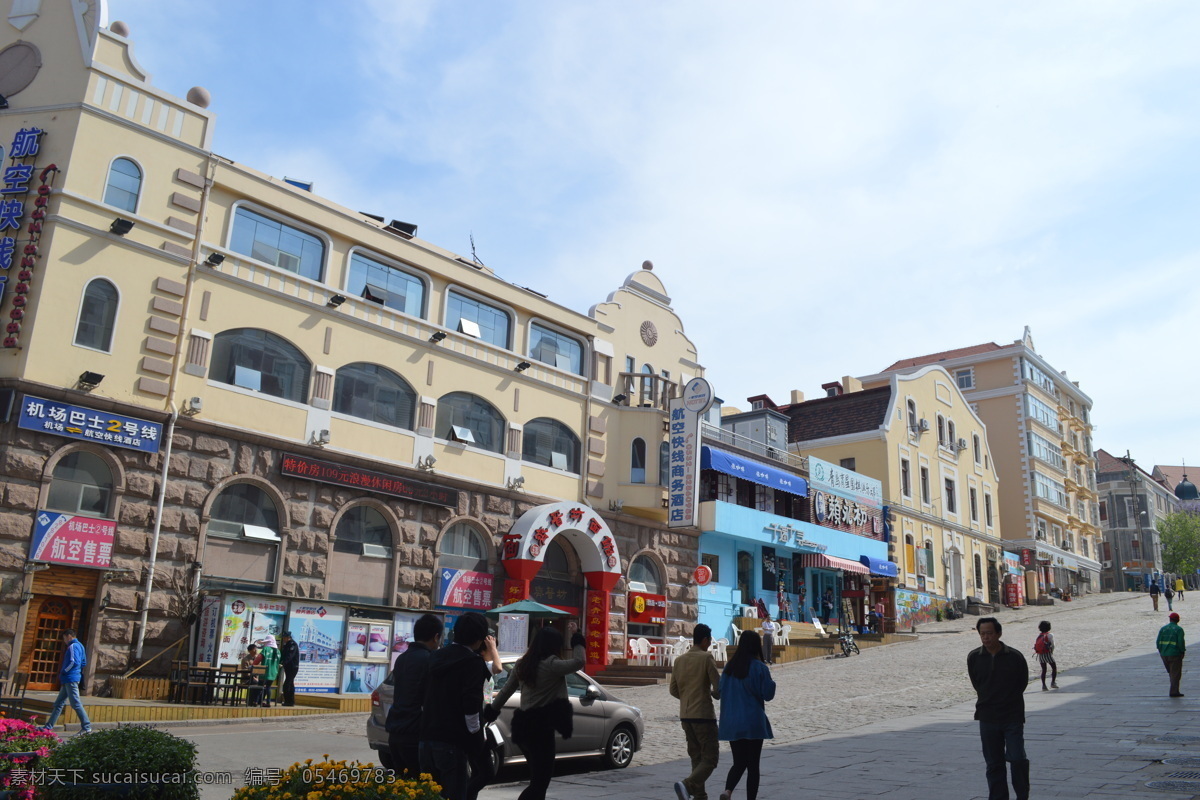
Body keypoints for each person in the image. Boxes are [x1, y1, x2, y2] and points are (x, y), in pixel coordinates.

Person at [484, 621, 585, 800]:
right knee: (540, 782)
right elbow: (579, 661)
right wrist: (577, 637)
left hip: (523, 728)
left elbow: (506, 691)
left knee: (537, 778)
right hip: (541, 730)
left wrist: (491, 711)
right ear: (554, 646)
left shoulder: (523, 664)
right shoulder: (552, 664)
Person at [419, 612, 500, 800]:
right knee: (455, 794)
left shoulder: (435, 656)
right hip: (452, 742)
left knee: (431, 795)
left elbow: (422, 694)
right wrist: (477, 737)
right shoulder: (472, 662)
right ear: (480, 638)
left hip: (426, 739)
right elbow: (471, 706)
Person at [967, 617, 1030, 800]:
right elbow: (977, 683)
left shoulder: (1014, 656)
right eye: (982, 634)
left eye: (989, 633)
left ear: (999, 633)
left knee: (1017, 758)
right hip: (987, 717)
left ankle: (1022, 795)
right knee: (994, 763)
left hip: (1012, 716)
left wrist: (1007, 700)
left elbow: (1022, 683)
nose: (986, 638)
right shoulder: (974, 657)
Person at [716, 631, 775, 800]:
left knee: (739, 761)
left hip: (732, 722)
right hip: (752, 722)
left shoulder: (729, 668)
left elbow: (721, 690)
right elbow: (767, 694)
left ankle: (728, 791)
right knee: (753, 765)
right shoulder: (759, 668)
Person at [387, 613, 443, 775]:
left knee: (403, 785)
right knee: (423, 785)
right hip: (416, 733)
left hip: (395, 731)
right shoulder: (430, 660)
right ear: (436, 637)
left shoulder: (402, 659)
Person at [670, 623, 721, 800]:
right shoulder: (706, 658)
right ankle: (687, 785)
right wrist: (712, 694)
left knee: (696, 757)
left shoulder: (679, 660)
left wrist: (687, 698)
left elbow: (673, 690)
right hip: (703, 715)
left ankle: (700, 795)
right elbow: (718, 687)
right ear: (705, 639)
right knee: (710, 757)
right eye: (709, 641)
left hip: (685, 715)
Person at [42, 629, 92, 734]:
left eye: (64, 638)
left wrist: (65, 671)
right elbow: (83, 662)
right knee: (59, 703)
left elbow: (74, 662)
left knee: (75, 703)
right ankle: (48, 727)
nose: (64, 641)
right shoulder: (81, 645)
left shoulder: (73, 646)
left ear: (69, 636)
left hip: (70, 678)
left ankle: (86, 726)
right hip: (70, 678)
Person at [1156, 612, 1186, 698]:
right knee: (1175, 673)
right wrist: (1182, 651)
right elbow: (1181, 642)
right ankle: (1174, 691)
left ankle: (1174, 689)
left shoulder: (1163, 629)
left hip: (1164, 654)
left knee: (1171, 672)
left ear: (1170, 619)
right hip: (1174, 654)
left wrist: (1161, 651)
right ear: (1178, 620)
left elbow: (1158, 642)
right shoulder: (1179, 629)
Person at [251, 634, 281, 707]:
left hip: (265, 671)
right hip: (273, 672)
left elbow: (258, 659)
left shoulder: (266, 649)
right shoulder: (278, 651)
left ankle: (256, 701)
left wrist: (253, 665)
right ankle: (268, 702)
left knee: (260, 686)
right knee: (268, 687)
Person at [1033, 620, 1057, 691]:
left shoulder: (1039, 636)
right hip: (1048, 654)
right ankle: (1053, 682)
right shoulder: (1050, 635)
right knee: (1054, 668)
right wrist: (1051, 652)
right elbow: (1053, 645)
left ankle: (1044, 685)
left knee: (1044, 670)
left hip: (1041, 655)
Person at [279, 631, 300, 707]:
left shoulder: (292, 644)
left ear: (288, 637)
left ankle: (288, 701)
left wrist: (283, 663)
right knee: (290, 684)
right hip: (288, 667)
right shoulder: (286, 645)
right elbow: (283, 655)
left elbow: (289, 656)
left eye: (284, 637)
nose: (283, 639)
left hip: (293, 667)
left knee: (287, 684)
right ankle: (290, 702)